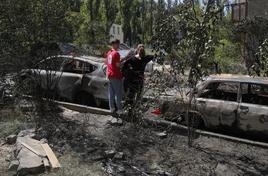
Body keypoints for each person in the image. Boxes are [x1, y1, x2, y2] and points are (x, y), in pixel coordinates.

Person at [106, 39, 124, 114]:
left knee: (111, 93)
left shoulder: (109, 53)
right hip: (116, 75)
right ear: (115, 44)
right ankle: (119, 110)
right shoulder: (116, 53)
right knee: (118, 94)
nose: (119, 46)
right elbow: (118, 66)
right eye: (118, 44)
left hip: (110, 75)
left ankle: (112, 108)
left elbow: (108, 64)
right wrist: (123, 61)